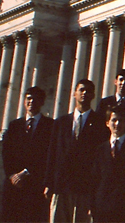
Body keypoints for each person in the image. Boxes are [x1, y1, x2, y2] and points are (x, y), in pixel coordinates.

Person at [44, 79, 107, 223]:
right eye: (81, 90)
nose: (84, 93)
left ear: (93, 96)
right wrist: (48, 182)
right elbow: (52, 153)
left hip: (84, 186)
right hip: (61, 184)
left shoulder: (99, 123)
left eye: (88, 91)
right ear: (74, 94)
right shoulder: (61, 122)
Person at [2, 86, 54, 223]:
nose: (31, 102)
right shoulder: (14, 125)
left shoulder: (51, 126)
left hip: (36, 184)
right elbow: (7, 153)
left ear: (42, 102)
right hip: (14, 185)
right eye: (28, 99)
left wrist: (26, 172)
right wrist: (12, 175)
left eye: (35, 99)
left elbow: (48, 155)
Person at [92, 104, 125, 223]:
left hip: (123, 205)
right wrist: (92, 203)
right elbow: (94, 178)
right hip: (101, 205)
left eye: (120, 120)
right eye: (114, 120)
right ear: (107, 123)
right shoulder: (100, 149)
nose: (117, 124)